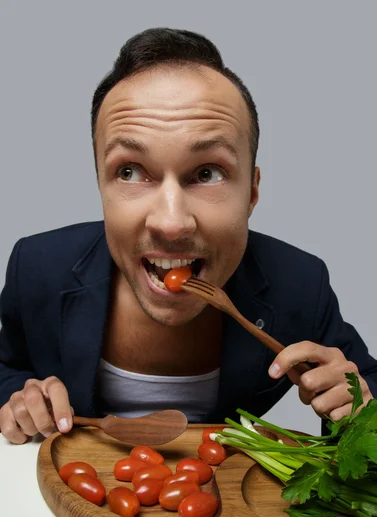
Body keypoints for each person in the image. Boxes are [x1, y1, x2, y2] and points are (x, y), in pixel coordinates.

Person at [1, 27, 376, 445]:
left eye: (207, 174)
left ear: (251, 191)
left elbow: (365, 385)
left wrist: (358, 405)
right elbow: (6, 367)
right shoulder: (34, 267)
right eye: (129, 172)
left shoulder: (301, 284)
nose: (171, 222)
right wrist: (17, 397)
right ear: (100, 186)